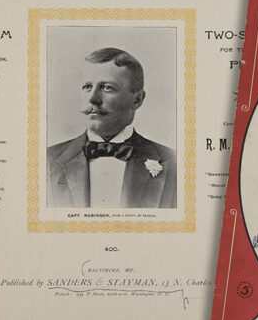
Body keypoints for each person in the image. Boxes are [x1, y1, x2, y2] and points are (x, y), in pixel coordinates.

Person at [47, 47, 177, 209]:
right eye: (87, 87)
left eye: (107, 87)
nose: (93, 99)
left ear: (137, 100)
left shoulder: (174, 164)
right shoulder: (46, 161)